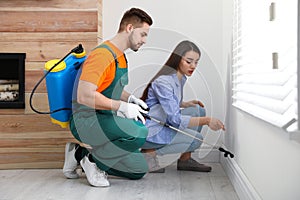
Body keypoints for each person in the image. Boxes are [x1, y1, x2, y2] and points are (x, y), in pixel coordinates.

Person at [62, 7, 153, 187]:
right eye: (143, 34)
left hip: (104, 118)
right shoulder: (102, 55)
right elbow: (84, 95)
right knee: (139, 131)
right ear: (129, 28)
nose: (144, 40)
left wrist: (130, 99)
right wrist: (122, 107)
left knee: (138, 169)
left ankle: (78, 154)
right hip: (85, 119)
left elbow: (110, 89)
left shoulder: (120, 57)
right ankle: (93, 162)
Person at [140, 40, 225, 173]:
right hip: (152, 129)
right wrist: (207, 121)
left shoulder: (179, 78)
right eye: (189, 61)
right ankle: (148, 153)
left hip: (162, 121)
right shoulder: (163, 81)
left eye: (196, 62)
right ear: (178, 59)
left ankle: (185, 160)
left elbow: (165, 102)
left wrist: (184, 104)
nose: (193, 66)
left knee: (198, 110)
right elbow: (175, 119)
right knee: (196, 140)